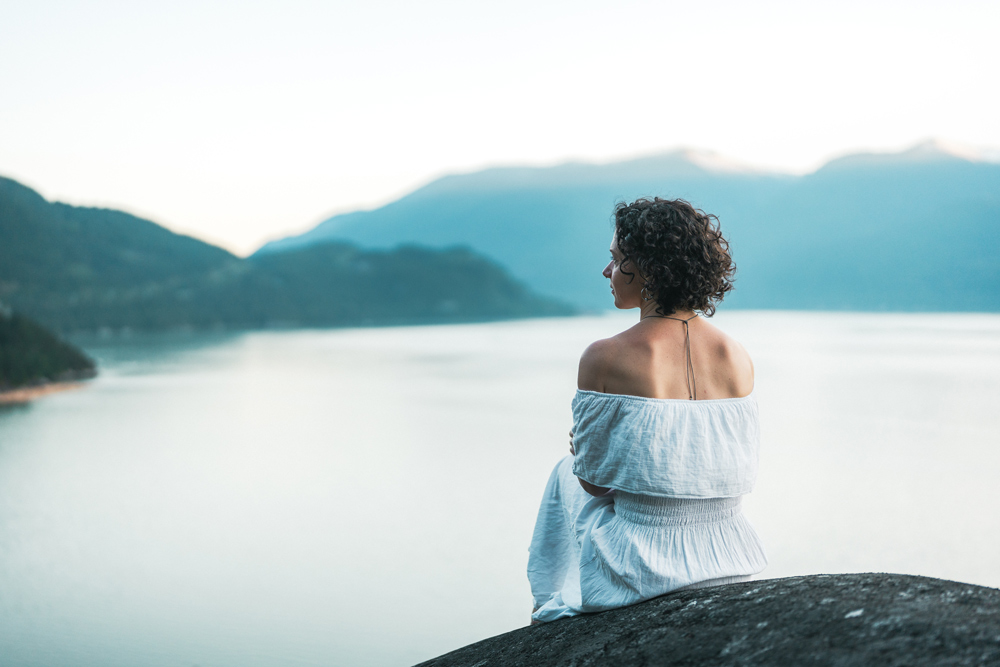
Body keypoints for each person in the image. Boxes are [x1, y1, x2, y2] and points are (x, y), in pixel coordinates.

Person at [527, 197, 767, 623]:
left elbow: (594, 487)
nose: (607, 272)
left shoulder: (605, 356)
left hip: (640, 566)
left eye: (617, 261)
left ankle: (544, 606)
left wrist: (588, 454)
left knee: (564, 470)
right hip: (727, 555)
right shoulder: (738, 356)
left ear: (651, 271)